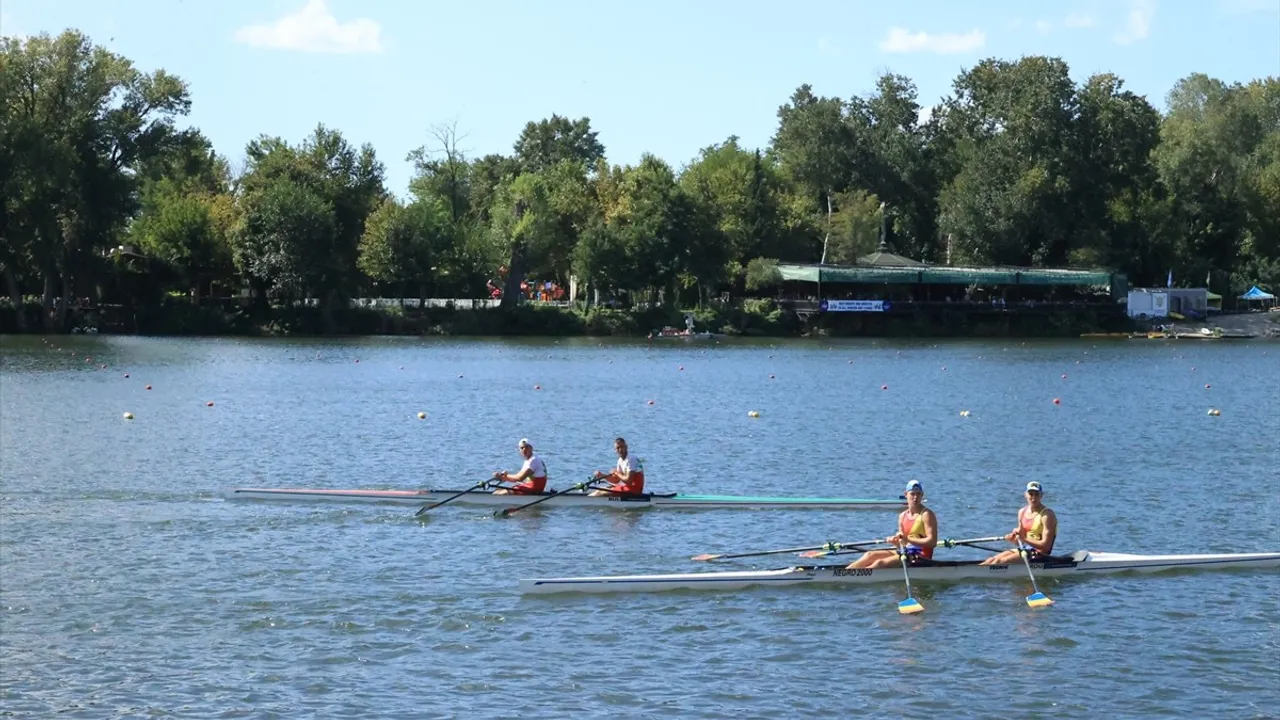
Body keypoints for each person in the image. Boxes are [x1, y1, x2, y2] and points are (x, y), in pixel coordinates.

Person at [846, 480, 938, 569]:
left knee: (880, 563)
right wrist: (896, 542)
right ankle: (843, 573)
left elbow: (932, 542)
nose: (915, 497)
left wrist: (907, 539)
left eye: (918, 494)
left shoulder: (926, 515)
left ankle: (854, 577)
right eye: (912, 494)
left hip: (920, 557)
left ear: (922, 495)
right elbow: (903, 544)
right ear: (906, 494)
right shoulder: (902, 516)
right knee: (870, 554)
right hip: (905, 552)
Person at [980, 481, 1058, 565]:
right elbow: (1019, 541)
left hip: (1040, 554)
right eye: (1031, 494)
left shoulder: (1047, 515)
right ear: (1025, 495)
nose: (1033, 498)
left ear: (1041, 496)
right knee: (991, 560)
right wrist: (1012, 538)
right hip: (1025, 549)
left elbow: (1046, 546)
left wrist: (1023, 538)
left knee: (999, 562)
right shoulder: (1022, 512)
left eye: (1036, 494)